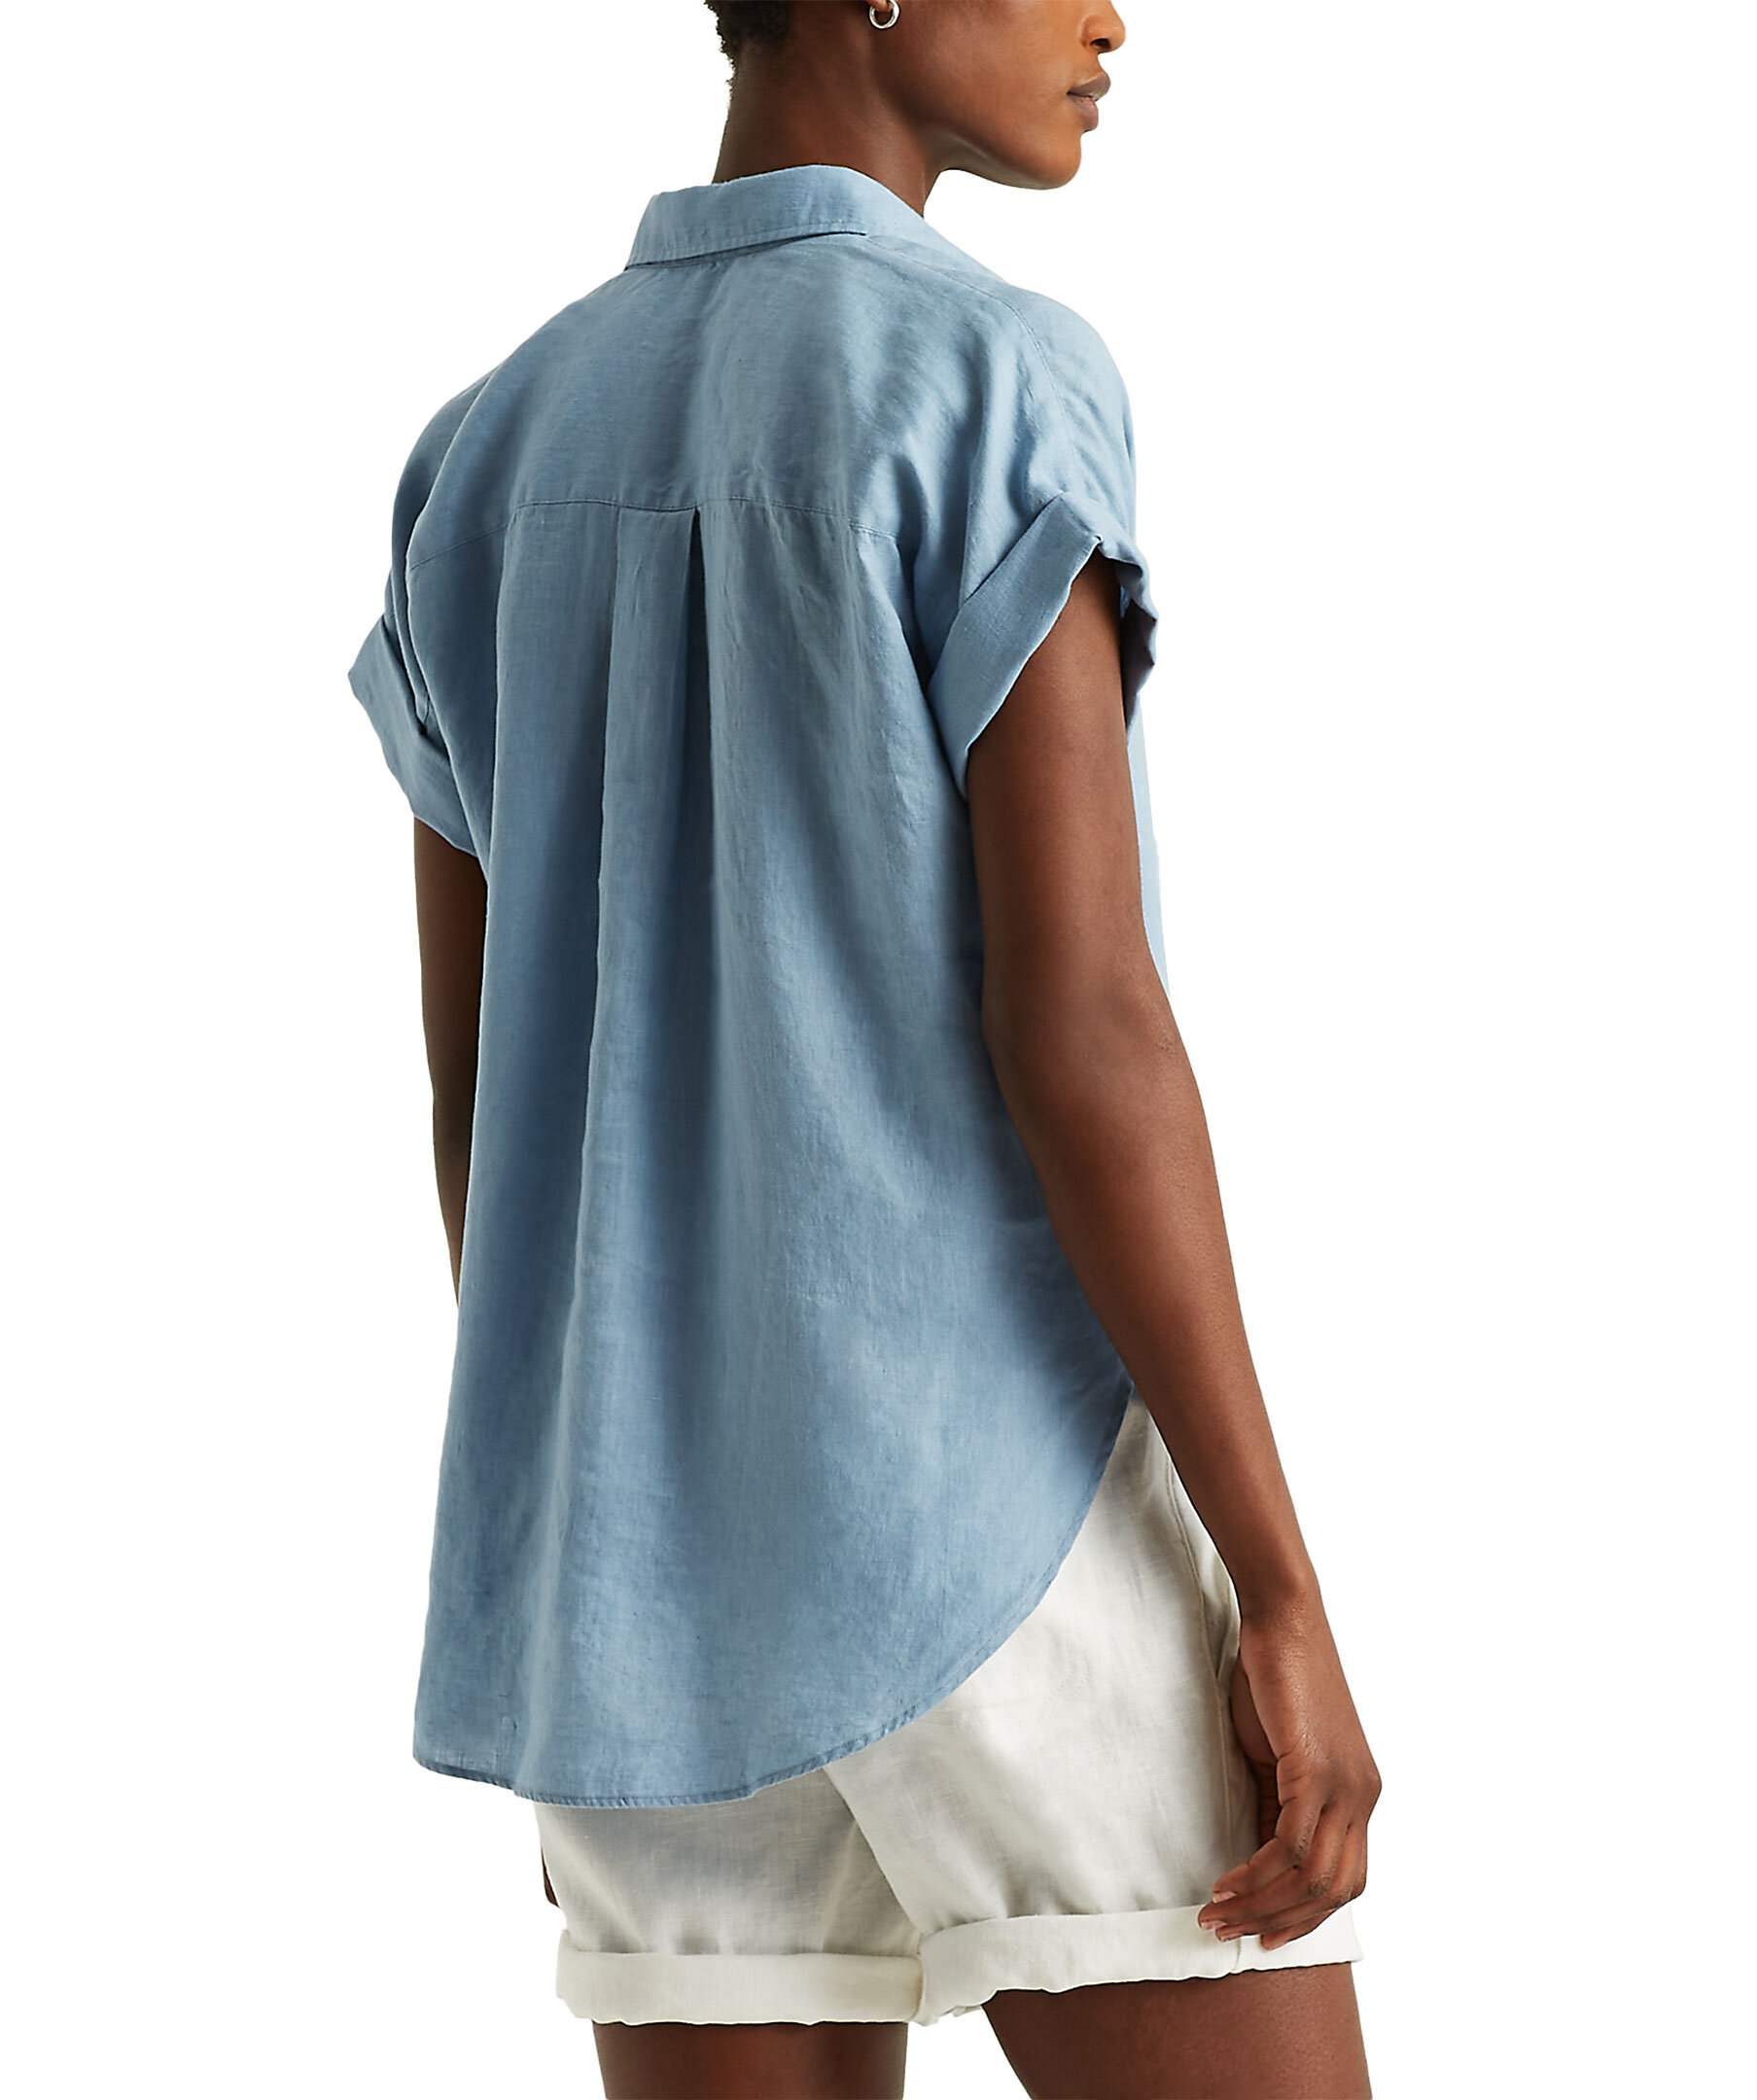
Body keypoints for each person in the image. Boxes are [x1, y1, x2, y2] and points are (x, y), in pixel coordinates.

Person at [345, 1, 1382, 2093]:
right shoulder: (987, 380)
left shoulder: (484, 453)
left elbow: (486, 1105)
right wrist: (1276, 1582)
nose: (1112, 18)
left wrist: (606, 1527)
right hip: (996, 1522)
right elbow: (1083, 1023)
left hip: (639, 1585)